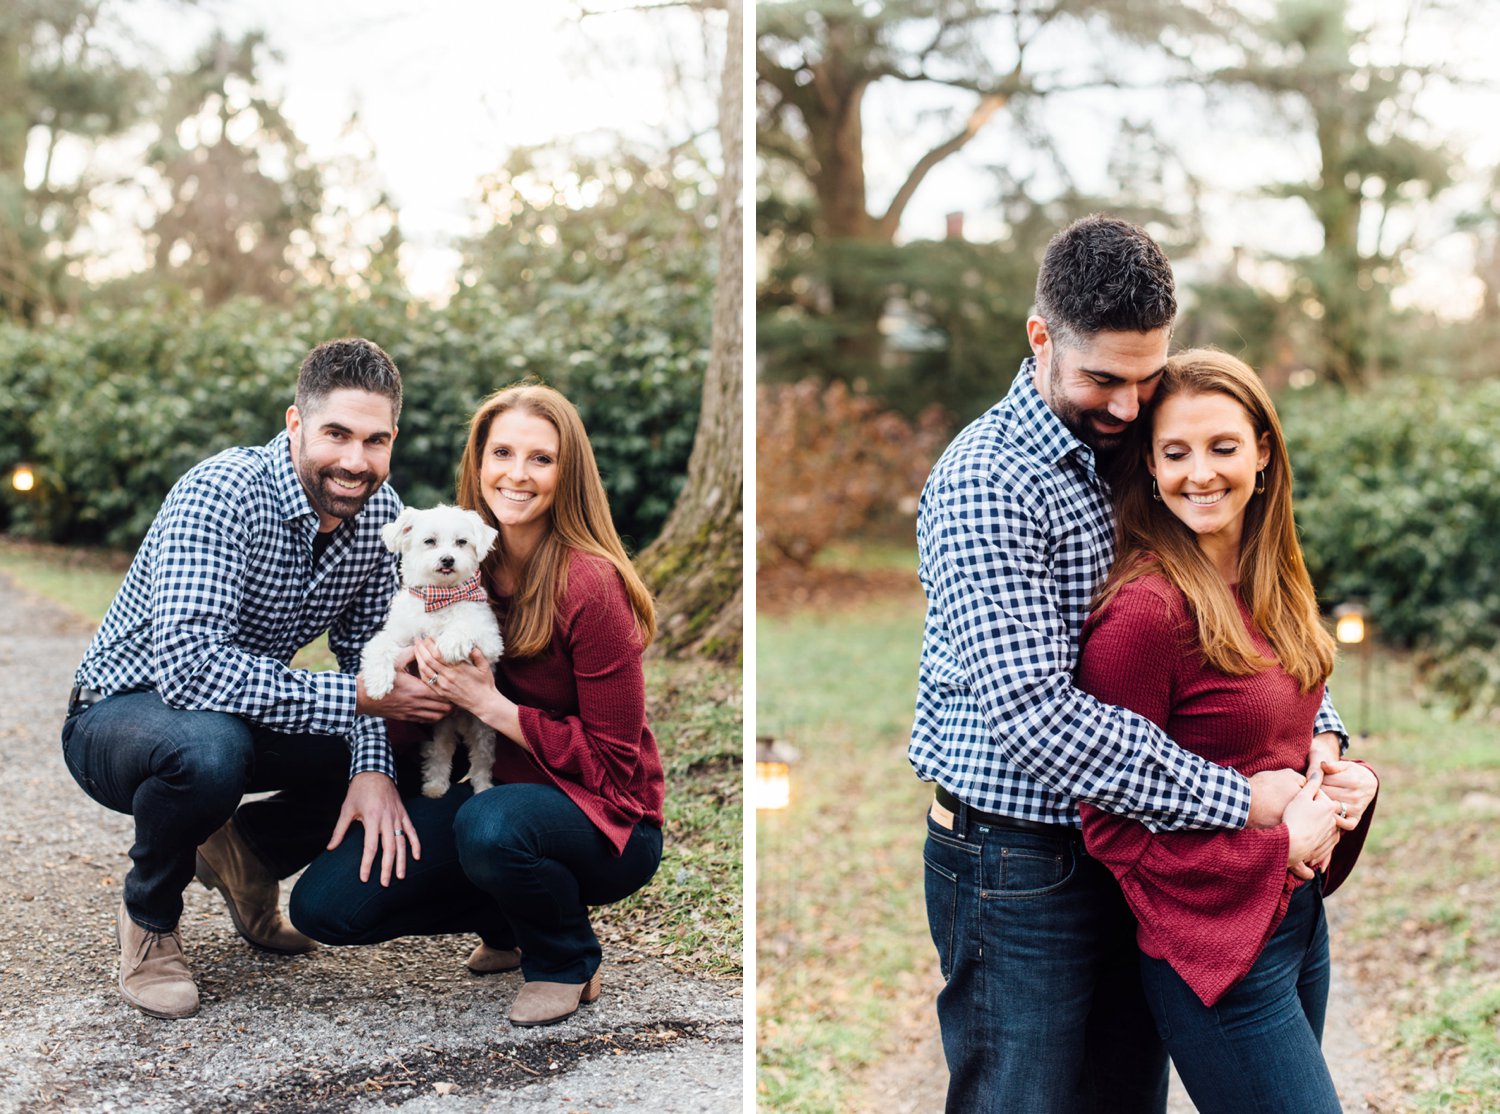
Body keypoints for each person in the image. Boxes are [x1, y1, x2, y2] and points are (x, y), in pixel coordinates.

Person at [909, 215, 1349, 1113]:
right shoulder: (987, 481)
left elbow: (1240, 613)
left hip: (1139, 846)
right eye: (1103, 379)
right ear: (1041, 338)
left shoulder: (1138, 445)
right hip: (1019, 858)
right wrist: (1245, 801)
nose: (1125, 405)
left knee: (1123, 1096)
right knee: (1022, 1099)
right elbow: (1038, 715)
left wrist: (1323, 736)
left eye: (1147, 379)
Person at [60, 337, 448, 1020]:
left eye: (375, 440)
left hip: (235, 712)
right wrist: (359, 697)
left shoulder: (384, 520)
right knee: (211, 751)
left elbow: (370, 659)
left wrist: (373, 766)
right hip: (119, 714)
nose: (356, 462)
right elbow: (190, 670)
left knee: (412, 734)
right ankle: (150, 920)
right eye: (336, 434)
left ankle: (246, 858)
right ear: (295, 424)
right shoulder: (222, 493)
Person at [290, 382, 665, 1029]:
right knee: (327, 909)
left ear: (566, 473)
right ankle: (510, 916)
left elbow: (614, 766)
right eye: (502, 453)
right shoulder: (453, 567)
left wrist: (491, 706)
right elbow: (416, 721)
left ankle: (564, 957)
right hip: (491, 801)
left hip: (606, 821)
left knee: (490, 825)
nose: (516, 474)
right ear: (479, 462)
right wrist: (406, 694)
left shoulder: (590, 584)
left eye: (540, 459)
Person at [1076, 349, 1378, 1113]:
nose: (1199, 473)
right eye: (1175, 453)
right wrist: (1276, 837)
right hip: (1214, 950)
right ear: (1148, 464)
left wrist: (1342, 773)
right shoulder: (1147, 612)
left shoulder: (1273, 578)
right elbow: (1108, 825)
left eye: (1222, 447)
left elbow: (1298, 714)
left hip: (1296, 928)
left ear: (1264, 453)